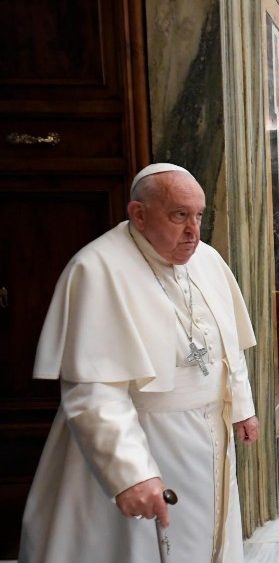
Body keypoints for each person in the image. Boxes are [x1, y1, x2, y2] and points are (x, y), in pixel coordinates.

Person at [20, 163, 259, 562]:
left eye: (199, 216)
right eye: (179, 215)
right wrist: (131, 472)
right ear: (138, 214)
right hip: (148, 440)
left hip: (210, 438)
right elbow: (94, 390)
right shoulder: (98, 268)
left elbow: (227, 345)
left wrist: (243, 408)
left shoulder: (207, 260)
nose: (193, 232)